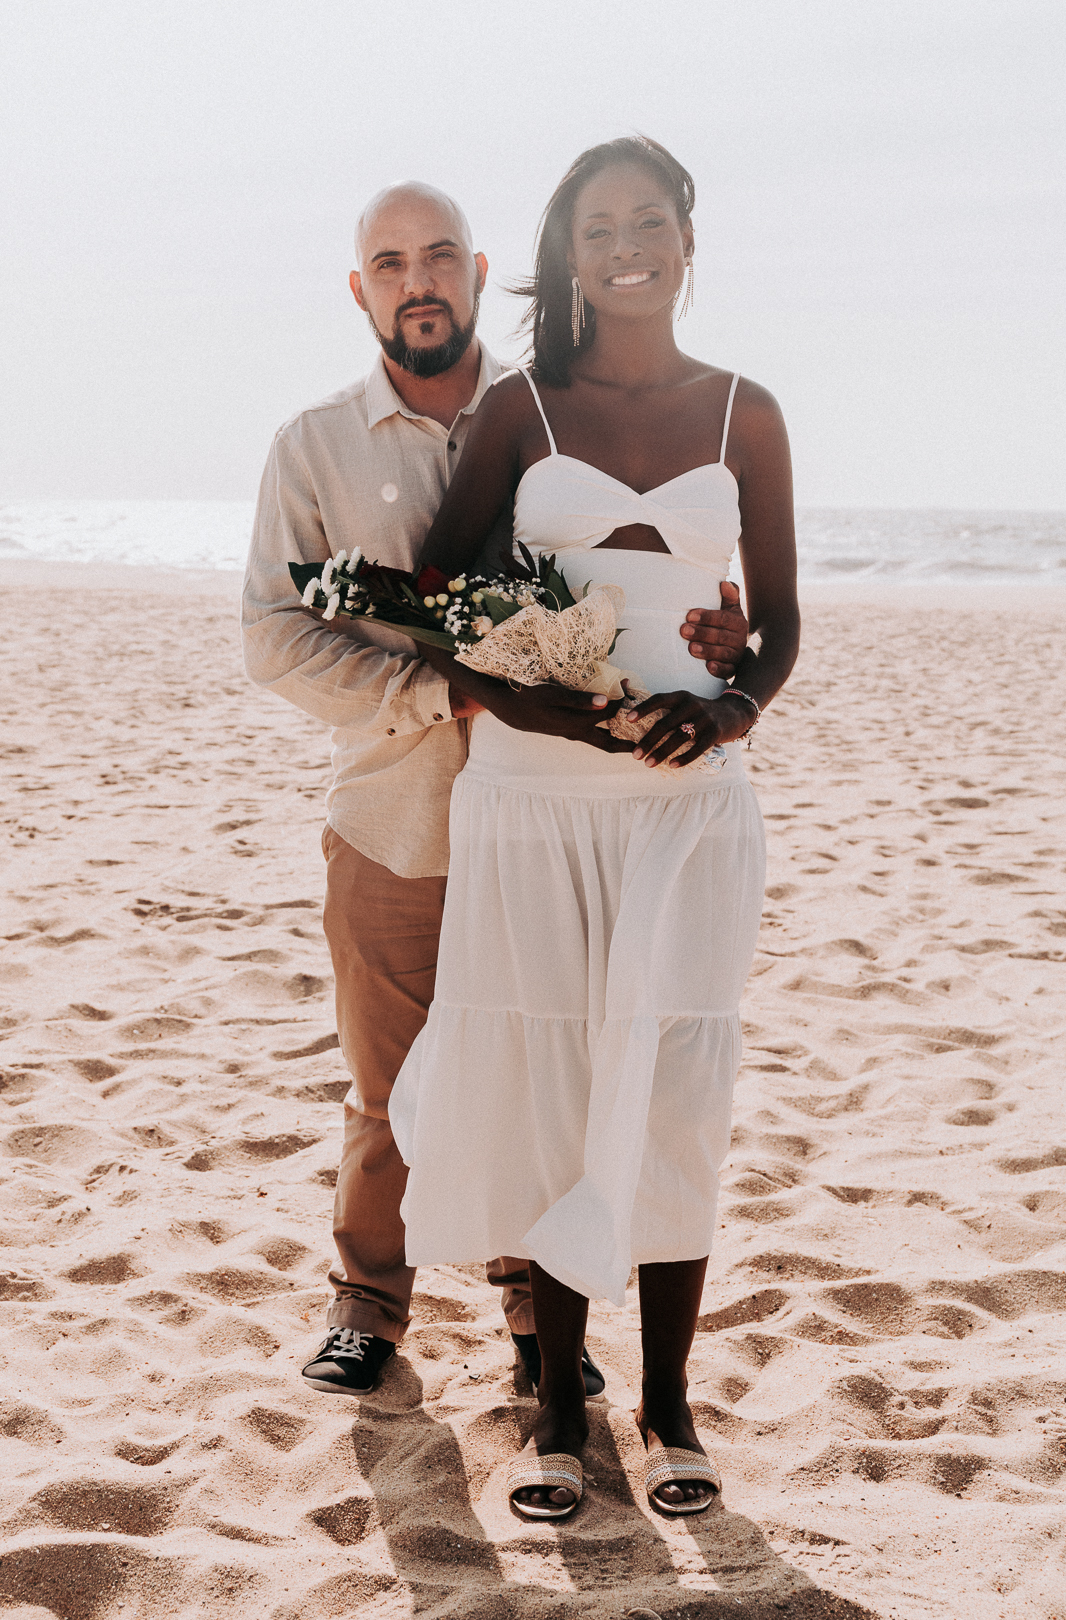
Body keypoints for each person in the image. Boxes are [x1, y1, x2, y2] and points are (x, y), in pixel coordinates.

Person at [241, 179, 750, 1398]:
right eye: (387, 263)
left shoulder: (557, 417)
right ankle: (370, 1302)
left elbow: (630, 573)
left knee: (548, 1073)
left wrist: (710, 638)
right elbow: (276, 639)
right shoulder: (313, 445)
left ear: (474, 271)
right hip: (401, 816)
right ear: (360, 288)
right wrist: (457, 695)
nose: (416, 282)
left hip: (559, 822)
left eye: (435, 258)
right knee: (389, 1085)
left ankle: (536, 1315)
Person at [388, 136, 800, 1519]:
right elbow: (438, 603)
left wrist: (732, 707)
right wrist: (545, 716)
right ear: (567, 253)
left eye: (645, 219)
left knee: (677, 1082)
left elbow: (781, 622)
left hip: (691, 798)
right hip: (534, 796)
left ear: (686, 231)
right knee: (557, 1086)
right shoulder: (524, 408)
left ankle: (673, 1401)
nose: (623, 245)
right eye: (595, 226)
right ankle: (561, 1405)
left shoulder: (747, 408)